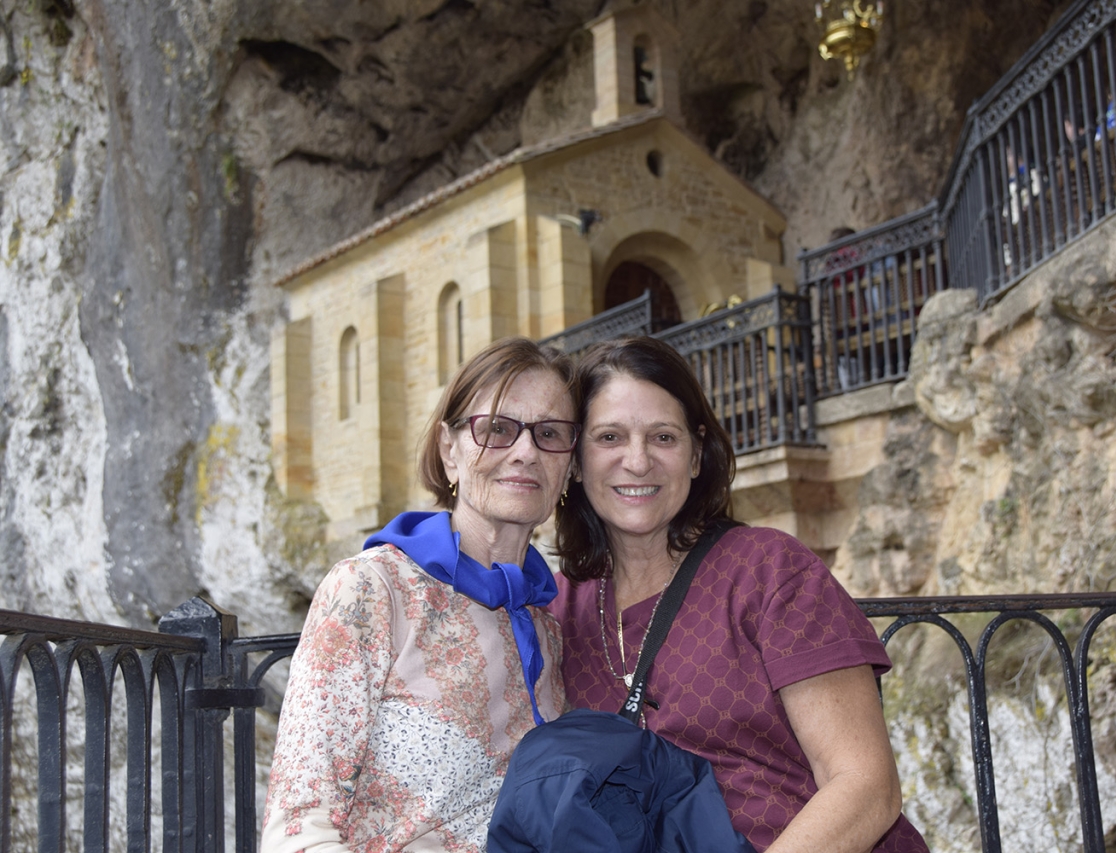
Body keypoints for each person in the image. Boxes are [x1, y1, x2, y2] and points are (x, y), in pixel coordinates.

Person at [552, 336, 927, 853]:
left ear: (696, 454)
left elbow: (865, 787)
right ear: (575, 461)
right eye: (610, 437)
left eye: (663, 437)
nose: (637, 461)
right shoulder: (558, 611)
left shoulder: (769, 571)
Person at [261, 337, 577, 853]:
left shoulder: (548, 625)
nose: (526, 452)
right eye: (497, 429)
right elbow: (297, 827)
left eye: (549, 434)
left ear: (568, 466)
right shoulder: (372, 591)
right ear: (450, 450)